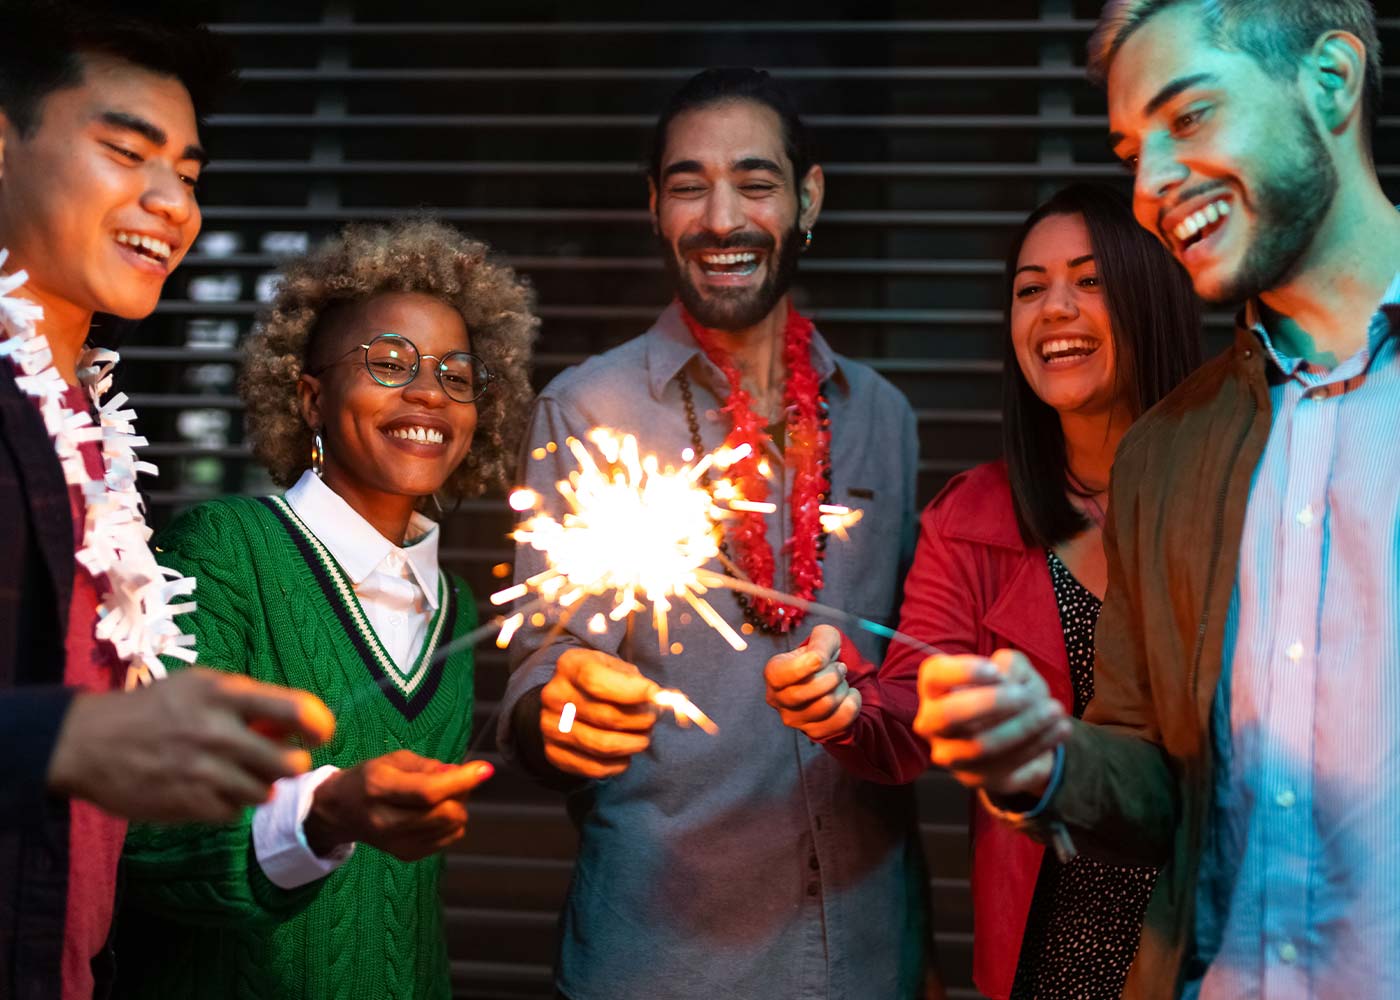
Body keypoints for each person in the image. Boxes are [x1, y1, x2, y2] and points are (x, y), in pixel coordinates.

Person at [911, 2, 1400, 998]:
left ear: (1330, 82)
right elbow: (1146, 780)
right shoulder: (1166, 453)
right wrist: (1045, 759)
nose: (1149, 189)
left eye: (1189, 117)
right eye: (1132, 149)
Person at [498, 68, 932, 999]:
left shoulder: (884, 419)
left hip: (870, 950)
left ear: (808, 198)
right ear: (656, 208)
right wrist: (558, 708)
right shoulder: (587, 409)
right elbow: (541, 665)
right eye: (689, 185)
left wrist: (920, 950)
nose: (721, 218)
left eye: (757, 182)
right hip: (664, 956)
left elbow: (900, 698)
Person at [764, 182, 1202, 999]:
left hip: (1214, 938)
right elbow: (905, 720)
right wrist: (843, 703)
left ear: (1154, 291)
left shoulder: (1238, 492)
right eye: (1030, 289)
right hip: (1051, 950)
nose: (1054, 310)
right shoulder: (975, 515)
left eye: (1090, 280)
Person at [0, 5, 335, 998]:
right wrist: (63, 734)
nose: (171, 204)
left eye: (188, 175)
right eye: (125, 151)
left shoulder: (84, 422)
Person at [113, 219, 537, 999]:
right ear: (311, 396)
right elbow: (144, 838)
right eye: (388, 362)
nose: (426, 393)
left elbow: (406, 911)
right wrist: (323, 812)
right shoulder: (222, 551)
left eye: (456, 374)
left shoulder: (456, 607)